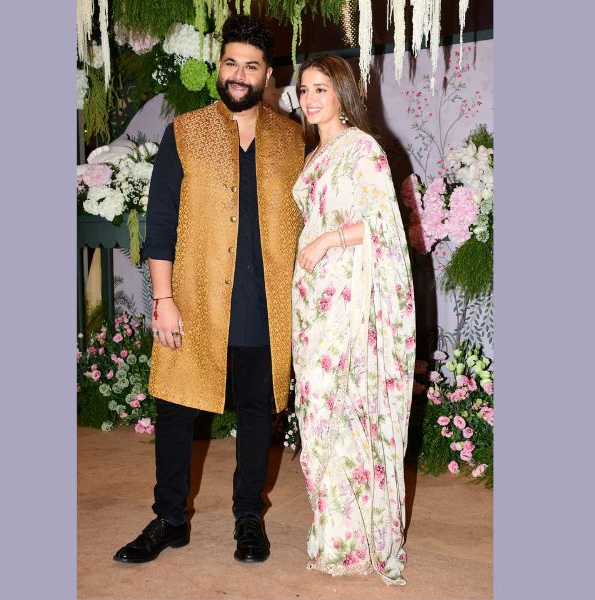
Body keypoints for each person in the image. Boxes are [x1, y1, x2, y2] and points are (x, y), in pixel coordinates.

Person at [113, 15, 305, 565]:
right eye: (231, 63)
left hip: (265, 305)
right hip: (195, 301)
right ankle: (170, 519)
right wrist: (163, 300)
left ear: (268, 75)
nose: (239, 74)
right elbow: (160, 223)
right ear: (218, 67)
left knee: (257, 412)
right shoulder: (186, 132)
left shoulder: (293, 140)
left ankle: (248, 517)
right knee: (176, 410)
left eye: (251, 66)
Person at [291, 55, 416, 585]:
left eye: (321, 88)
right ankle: (334, 528)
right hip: (311, 297)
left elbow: (383, 224)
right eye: (304, 89)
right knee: (316, 409)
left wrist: (327, 240)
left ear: (342, 93)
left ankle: (356, 538)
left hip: (348, 295)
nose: (310, 98)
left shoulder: (363, 149)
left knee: (339, 403)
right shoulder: (316, 153)